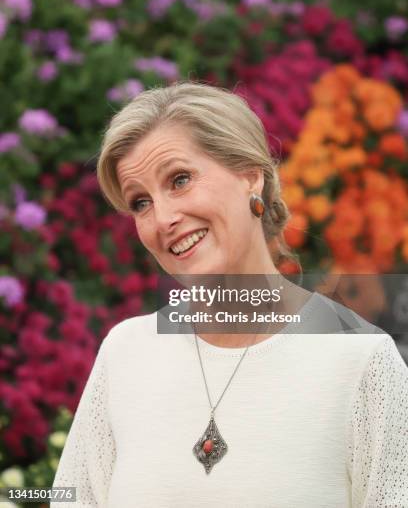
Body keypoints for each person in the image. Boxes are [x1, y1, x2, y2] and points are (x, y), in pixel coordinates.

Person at [51, 81, 408, 507]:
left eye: (180, 180)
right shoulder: (125, 353)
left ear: (249, 175)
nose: (163, 218)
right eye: (141, 203)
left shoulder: (360, 359)